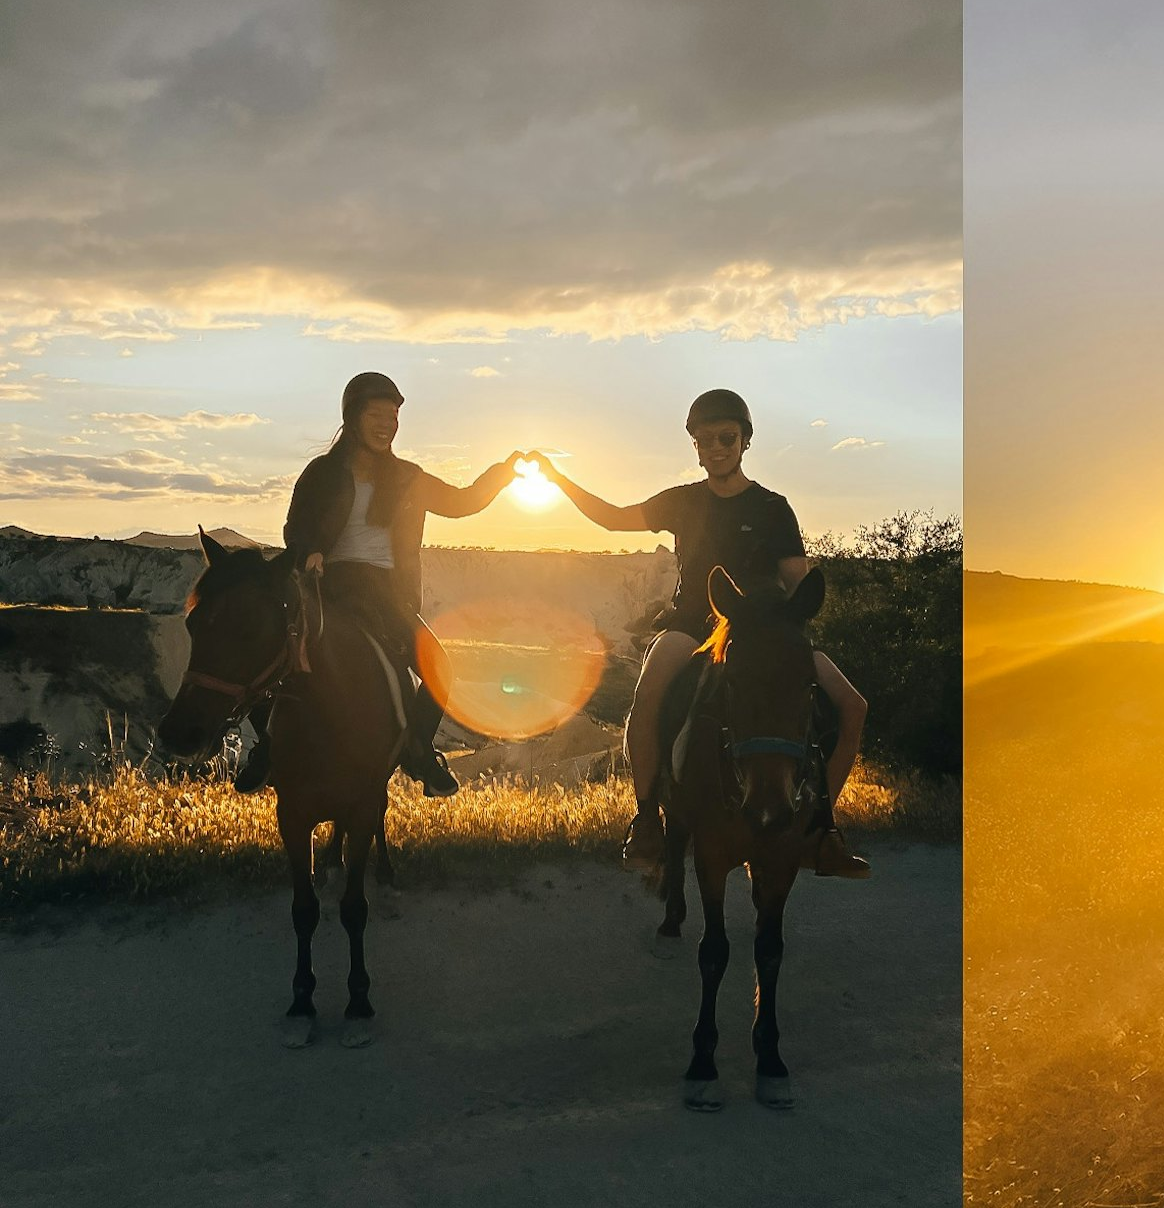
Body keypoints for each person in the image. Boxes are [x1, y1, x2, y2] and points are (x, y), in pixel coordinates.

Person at [528, 388, 869, 878]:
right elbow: (612, 518)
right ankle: (647, 819)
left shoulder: (774, 508)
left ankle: (820, 828)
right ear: (694, 445)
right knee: (646, 701)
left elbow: (796, 582)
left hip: (763, 632)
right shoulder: (682, 502)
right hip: (692, 627)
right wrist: (557, 480)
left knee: (853, 707)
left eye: (725, 437)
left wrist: (789, 624)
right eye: (703, 439)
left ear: (745, 440)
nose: (714, 448)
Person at [235, 371, 519, 796]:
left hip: (387, 593)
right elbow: (297, 525)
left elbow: (462, 503)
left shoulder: (408, 477)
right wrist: (309, 548)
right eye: (377, 413)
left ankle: (419, 751)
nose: (388, 423)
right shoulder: (321, 473)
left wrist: (504, 473)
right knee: (258, 651)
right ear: (352, 418)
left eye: (394, 415)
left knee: (440, 667)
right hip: (326, 583)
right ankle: (269, 746)